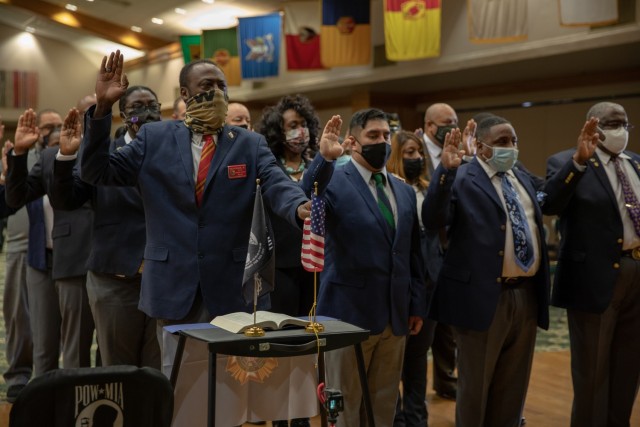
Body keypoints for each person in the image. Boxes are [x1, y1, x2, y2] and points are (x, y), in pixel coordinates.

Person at [79, 50, 340, 334]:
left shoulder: (248, 143)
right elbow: (96, 172)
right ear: (185, 93)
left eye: (221, 86)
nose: (216, 92)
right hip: (173, 284)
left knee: (236, 375)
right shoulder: (154, 138)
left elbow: (276, 183)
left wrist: (298, 206)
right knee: (178, 375)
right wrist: (103, 109)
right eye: (207, 86)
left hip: (235, 287)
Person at [423, 115, 550, 427]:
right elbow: (433, 218)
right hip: (481, 298)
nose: (511, 148)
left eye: (514, 141)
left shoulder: (519, 176)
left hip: (526, 295)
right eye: (502, 142)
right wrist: (445, 172)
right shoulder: (464, 177)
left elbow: (553, 198)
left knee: (513, 389)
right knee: (476, 391)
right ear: (480, 146)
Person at [302, 108, 426, 427]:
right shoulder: (333, 182)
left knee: (383, 405)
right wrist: (324, 160)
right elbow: (306, 194)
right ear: (353, 143)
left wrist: (416, 304)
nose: (382, 142)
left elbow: (413, 254)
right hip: (348, 314)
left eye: (386, 136)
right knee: (344, 407)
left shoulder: (403, 190)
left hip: (395, 315)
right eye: (373, 136)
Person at [542, 101, 640, 427]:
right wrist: (579, 162)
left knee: (628, 367)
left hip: (636, 271)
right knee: (593, 372)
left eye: (625, 124)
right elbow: (551, 204)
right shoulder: (565, 162)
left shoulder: (636, 163)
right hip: (594, 278)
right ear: (592, 126)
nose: (620, 130)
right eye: (612, 123)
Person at [51, 85, 163, 369]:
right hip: (115, 279)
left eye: (152, 105)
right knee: (118, 367)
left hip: (164, 278)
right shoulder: (103, 156)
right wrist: (65, 158)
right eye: (138, 106)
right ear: (123, 114)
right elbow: (67, 199)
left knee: (159, 367)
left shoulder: (174, 153)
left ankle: (154, 416)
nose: (146, 112)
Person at [5, 108, 95, 376]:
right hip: (41, 260)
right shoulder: (44, 158)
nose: (59, 145)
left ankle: (74, 409)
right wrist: (18, 155)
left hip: (76, 261)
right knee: (43, 345)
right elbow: (16, 197)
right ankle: (44, 408)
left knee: (75, 347)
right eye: (53, 140)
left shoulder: (91, 158)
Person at [387, 130, 435, 427]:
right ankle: (394, 418)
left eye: (419, 152)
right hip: (395, 286)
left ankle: (417, 418)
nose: (417, 158)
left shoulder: (428, 189)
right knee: (392, 363)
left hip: (426, 285)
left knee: (417, 360)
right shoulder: (391, 189)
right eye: (409, 153)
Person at [0, 120, 33, 403]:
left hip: (54, 249)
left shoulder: (37, 158)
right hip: (17, 248)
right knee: (16, 315)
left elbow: (6, 204)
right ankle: (18, 375)